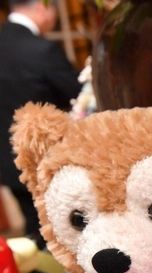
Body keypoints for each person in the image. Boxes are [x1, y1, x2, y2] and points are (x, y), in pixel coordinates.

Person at [0, 0, 81, 238]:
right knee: (63, 231)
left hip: (8, 160)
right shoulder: (41, 50)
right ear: (42, 8)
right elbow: (76, 95)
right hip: (45, 158)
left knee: (35, 229)